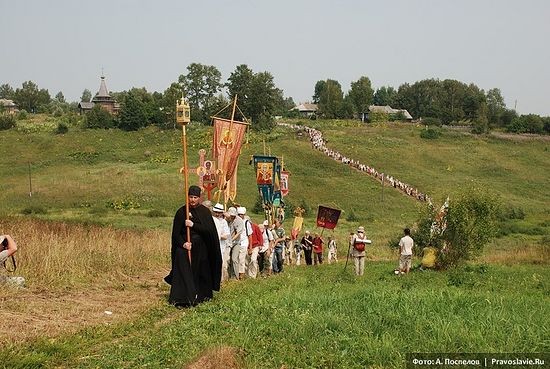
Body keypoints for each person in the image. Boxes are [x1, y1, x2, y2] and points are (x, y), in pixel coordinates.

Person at [165, 185, 222, 308]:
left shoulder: (205, 212)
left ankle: (201, 295)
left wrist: (193, 225)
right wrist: (183, 243)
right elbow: (176, 234)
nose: (192, 200)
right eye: (190, 197)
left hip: (201, 249)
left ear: (199, 198)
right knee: (182, 265)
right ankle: (181, 298)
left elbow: (209, 231)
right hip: (186, 247)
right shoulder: (181, 212)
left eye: (195, 197)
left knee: (201, 270)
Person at [212, 203, 231, 281]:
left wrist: (218, 236)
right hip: (212, 245)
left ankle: (221, 280)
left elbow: (226, 235)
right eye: (216, 212)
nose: (217, 214)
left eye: (219, 212)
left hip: (221, 246)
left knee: (221, 264)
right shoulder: (211, 220)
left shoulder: (223, 222)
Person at [227, 206, 244, 279]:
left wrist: (231, 240)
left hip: (236, 242)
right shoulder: (226, 219)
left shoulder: (239, 221)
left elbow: (238, 233)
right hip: (227, 242)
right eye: (231, 216)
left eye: (233, 216)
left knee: (234, 259)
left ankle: (235, 277)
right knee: (228, 260)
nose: (232, 217)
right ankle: (229, 276)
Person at [238, 207, 253, 279]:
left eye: (241, 214)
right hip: (236, 243)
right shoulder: (236, 221)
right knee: (235, 259)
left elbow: (250, 236)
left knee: (241, 259)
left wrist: (250, 248)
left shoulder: (247, 223)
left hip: (244, 243)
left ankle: (241, 274)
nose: (240, 216)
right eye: (239, 214)